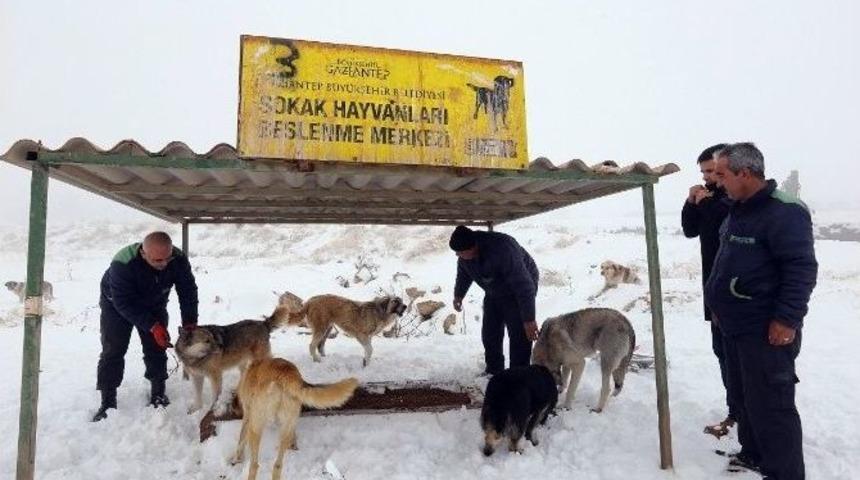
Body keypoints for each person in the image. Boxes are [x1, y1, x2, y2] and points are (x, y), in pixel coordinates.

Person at [705, 143, 817, 479]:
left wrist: (786, 319)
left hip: (766, 330)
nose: (716, 181)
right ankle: (753, 455)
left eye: (722, 174)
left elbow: (801, 268)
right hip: (734, 326)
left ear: (745, 173)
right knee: (742, 398)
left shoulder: (785, 211)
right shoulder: (737, 208)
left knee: (772, 407)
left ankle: (784, 473)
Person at [92, 231, 199, 422]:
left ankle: (158, 393)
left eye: (167, 258)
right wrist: (152, 326)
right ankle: (107, 401)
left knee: (157, 347)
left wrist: (189, 322)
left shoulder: (178, 259)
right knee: (113, 350)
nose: (164, 264)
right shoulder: (122, 264)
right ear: (143, 253)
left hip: (154, 302)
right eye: (157, 260)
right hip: (116, 305)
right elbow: (123, 303)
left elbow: (187, 290)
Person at [681, 143, 738, 437]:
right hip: (714, 288)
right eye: (703, 172)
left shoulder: (734, 199)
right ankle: (736, 411)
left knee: (736, 356)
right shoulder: (711, 197)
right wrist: (692, 202)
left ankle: (744, 414)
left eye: (712, 172)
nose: (707, 178)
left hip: (735, 292)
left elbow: (721, 219)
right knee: (721, 351)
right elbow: (691, 230)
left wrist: (704, 203)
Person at [449, 225, 539, 376]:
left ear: (473, 247)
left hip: (518, 290)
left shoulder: (503, 249)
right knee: (490, 332)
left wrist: (529, 319)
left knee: (518, 333)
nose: (458, 255)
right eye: (456, 253)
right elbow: (464, 273)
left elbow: (524, 285)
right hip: (494, 290)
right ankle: (494, 370)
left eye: (460, 252)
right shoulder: (465, 255)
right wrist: (459, 295)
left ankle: (518, 375)